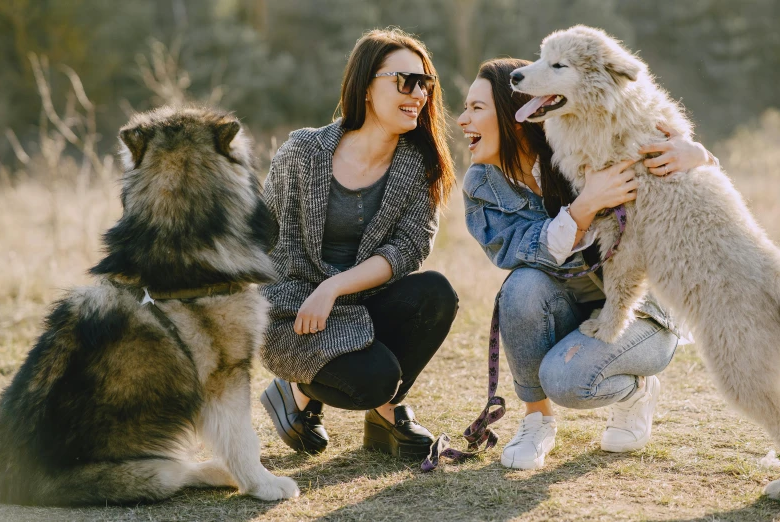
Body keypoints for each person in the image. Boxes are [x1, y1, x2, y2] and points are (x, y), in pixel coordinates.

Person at [458, 58, 718, 470]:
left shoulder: (590, 140)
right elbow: (518, 251)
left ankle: (635, 391)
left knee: (569, 382)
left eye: (476, 108)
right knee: (521, 285)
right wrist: (585, 206)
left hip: (642, 310)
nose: (461, 120)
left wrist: (699, 155)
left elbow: (674, 169)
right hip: (570, 305)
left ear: (517, 116)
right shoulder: (480, 183)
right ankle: (536, 422)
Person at [258, 28, 458, 459]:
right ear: (368, 87)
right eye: (406, 80)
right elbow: (273, 247)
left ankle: (382, 413)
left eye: (426, 83)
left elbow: (409, 248)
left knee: (436, 293)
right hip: (296, 314)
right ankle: (299, 390)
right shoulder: (303, 151)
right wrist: (314, 295)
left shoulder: (419, 163)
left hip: (361, 301)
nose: (419, 93)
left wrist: (334, 287)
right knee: (374, 379)